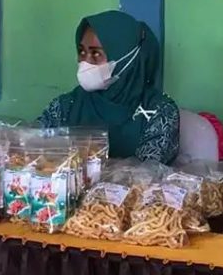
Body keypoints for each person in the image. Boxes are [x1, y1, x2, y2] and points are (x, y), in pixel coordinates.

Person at [38, 10, 179, 163]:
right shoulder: (64, 107)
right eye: (82, 52)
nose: (85, 61)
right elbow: (32, 153)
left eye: (96, 54)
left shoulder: (159, 112)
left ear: (126, 58)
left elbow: (148, 172)